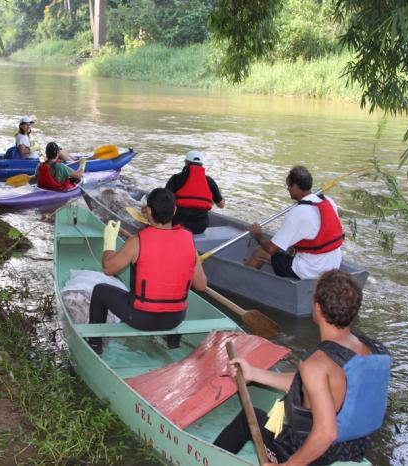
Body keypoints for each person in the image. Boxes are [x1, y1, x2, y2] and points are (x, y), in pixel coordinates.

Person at [214, 269, 391, 465]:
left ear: (317, 307)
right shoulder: (373, 349)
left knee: (247, 419)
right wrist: (254, 374)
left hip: (318, 455)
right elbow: (312, 383)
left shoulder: (316, 364)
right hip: (354, 447)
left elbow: (326, 433)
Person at [87, 188, 208, 354]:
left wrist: (109, 243)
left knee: (100, 290)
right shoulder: (189, 241)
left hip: (141, 318)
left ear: (149, 211)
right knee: (174, 296)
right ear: (174, 210)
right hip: (175, 319)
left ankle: (94, 345)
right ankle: (172, 345)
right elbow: (201, 285)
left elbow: (108, 269)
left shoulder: (137, 241)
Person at [246, 165, 344, 280]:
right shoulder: (328, 202)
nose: (287, 189)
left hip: (312, 271)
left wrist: (257, 234)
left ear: (295, 187)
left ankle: (241, 283)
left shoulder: (298, 212)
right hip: (333, 265)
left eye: (288, 186)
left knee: (261, 252)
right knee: (290, 249)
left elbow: (271, 249)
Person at [165, 151, 225, 234]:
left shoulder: (176, 178)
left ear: (185, 162)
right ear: (202, 164)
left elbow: (165, 201)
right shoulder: (209, 181)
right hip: (200, 227)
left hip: (178, 225)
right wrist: (219, 194)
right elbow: (221, 205)